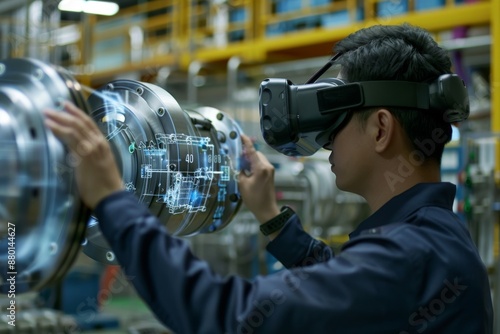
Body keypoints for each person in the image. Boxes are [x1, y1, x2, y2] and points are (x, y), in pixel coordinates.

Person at [44, 23, 493, 333]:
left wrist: (111, 199)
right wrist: (271, 216)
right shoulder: (428, 239)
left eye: (336, 124)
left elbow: (228, 316)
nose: (328, 143)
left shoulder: (412, 256)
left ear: (380, 129)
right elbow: (347, 284)